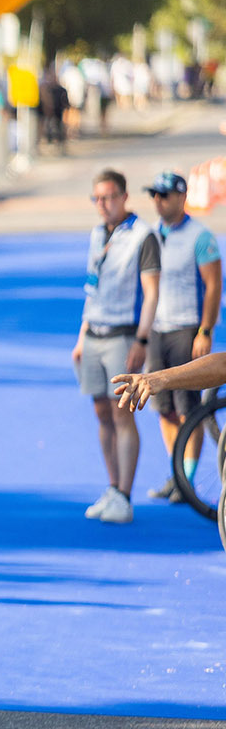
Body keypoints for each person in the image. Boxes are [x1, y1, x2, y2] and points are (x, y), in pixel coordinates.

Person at [73, 169, 161, 524]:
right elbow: (91, 288)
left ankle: (125, 493)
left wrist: (142, 338)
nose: (103, 205)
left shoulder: (143, 236)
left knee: (122, 414)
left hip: (124, 334)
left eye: (109, 197)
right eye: (97, 198)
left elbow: (152, 292)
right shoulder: (97, 234)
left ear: (125, 197)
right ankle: (112, 486)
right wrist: (81, 336)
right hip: (94, 332)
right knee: (101, 412)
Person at [139, 171, 220, 502]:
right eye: (154, 195)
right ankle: (176, 473)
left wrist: (205, 329)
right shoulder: (153, 236)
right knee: (164, 407)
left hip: (187, 328)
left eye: (164, 195)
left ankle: (186, 478)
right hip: (158, 328)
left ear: (181, 197)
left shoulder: (201, 237)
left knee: (188, 407)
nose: (158, 201)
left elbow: (214, 285)